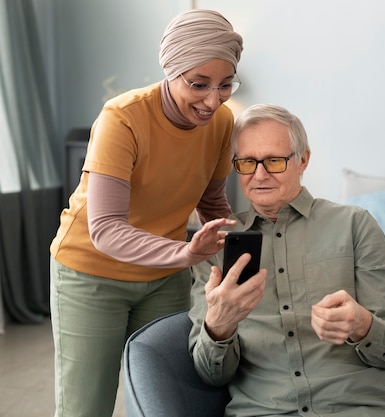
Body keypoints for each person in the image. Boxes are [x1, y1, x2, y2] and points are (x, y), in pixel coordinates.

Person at [49, 9, 243, 417]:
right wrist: (187, 254)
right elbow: (105, 228)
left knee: (168, 398)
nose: (213, 100)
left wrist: (244, 244)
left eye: (225, 85)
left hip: (163, 279)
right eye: (199, 84)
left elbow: (212, 204)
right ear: (171, 71)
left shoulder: (223, 121)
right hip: (91, 273)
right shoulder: (123, 118)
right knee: (87, 405)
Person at [189, 104, 385, 417]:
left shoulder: (355, 225)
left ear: (303, 160)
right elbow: (211, 375)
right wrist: (219, 325)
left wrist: (362, 325)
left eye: (274, 161)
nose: (260, 175)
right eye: (247, 162)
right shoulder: (215, 245)